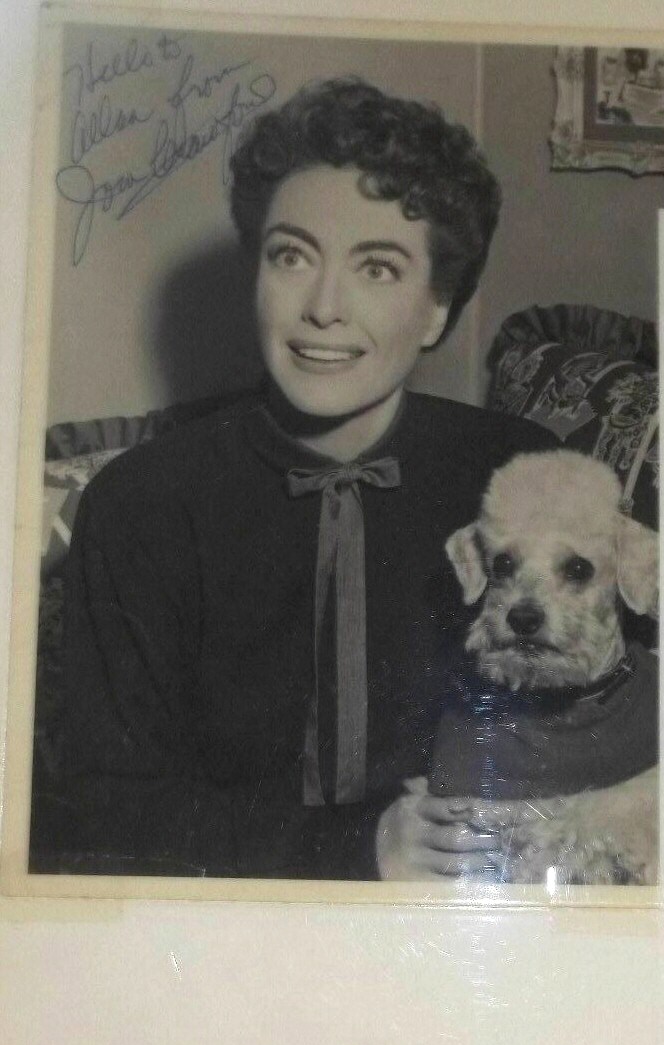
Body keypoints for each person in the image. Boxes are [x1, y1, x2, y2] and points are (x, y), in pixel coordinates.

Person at [33, 79, 546, 880]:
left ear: (436, 308)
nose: (324, 307)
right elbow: (111, 816)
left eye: (377, 268)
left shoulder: (524, 478)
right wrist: (361, 850)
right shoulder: (139, 504)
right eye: (292, 256)